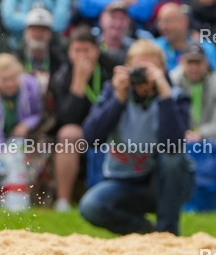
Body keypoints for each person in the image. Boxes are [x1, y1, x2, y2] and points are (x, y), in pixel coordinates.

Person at [79, 39, 194, 235]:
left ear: (163, 70)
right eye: (138, 69)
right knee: (90, 206)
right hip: (124, 182)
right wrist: (118, 100)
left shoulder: (175, 97)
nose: (143, 76)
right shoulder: (113, 92)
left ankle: (168, 232)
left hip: (164, 184)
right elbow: (91, 139)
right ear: (126, 69)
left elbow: (173, 146)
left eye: (151, 69)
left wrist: (164, 95)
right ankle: (146, 233)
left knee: (171, 159)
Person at [50, 26, 118, 211]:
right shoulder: (62, 74)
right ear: (69, 52)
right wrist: (79, 83)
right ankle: (63, 202)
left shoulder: (111, 69)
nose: (82, 56)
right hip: (82, 133)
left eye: (86, 50)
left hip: (111, 129)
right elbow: (66, 118)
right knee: (68, 135)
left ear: (96, 51)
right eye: (76, 51)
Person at [0, 54, 44, 207]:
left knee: (17, 158)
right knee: (7, 162)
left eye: (13, 78)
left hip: (26, 139)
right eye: (4, 80)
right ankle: (9, 203)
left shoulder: (30, 86)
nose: (10, 84)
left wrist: (26, 124)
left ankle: (20, 204)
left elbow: (38, 113)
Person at [169, 43, 216, 141]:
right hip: (179, 139)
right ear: (181, 62)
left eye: (198, 62)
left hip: (212, 139)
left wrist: (200, 133)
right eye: (190, 62)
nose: (194, 68)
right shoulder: (172, 81)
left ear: (206, 62)